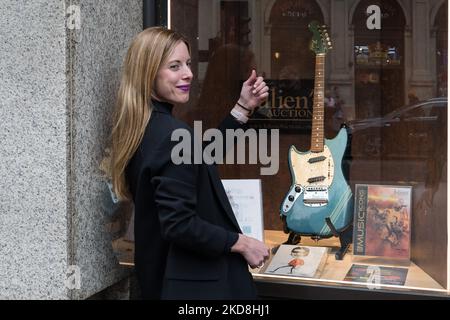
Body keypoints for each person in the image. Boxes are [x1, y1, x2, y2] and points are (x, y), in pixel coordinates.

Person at [107, 27, 270, 299]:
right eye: (175, 66)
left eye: (188, 64)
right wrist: (242, 243)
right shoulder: (171, 134)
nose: (188, 74)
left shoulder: (147, 128)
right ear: (148, 73)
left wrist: (242, 108)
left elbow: (197, 161)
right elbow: (179, 224)